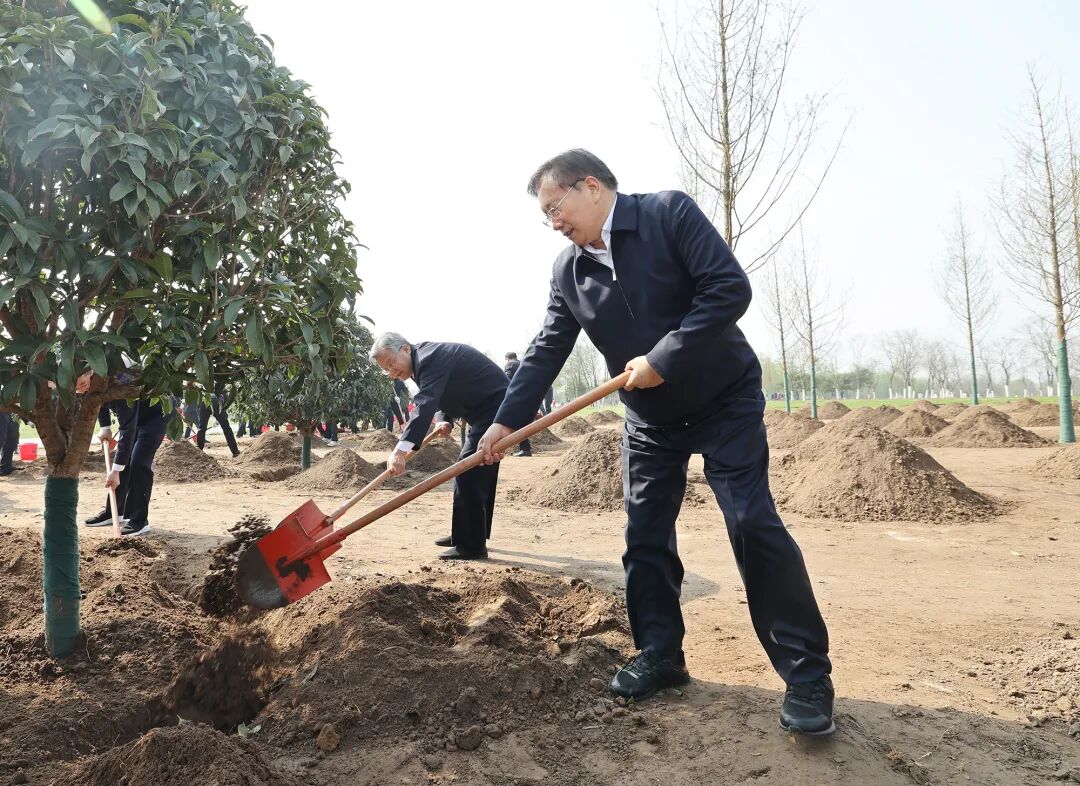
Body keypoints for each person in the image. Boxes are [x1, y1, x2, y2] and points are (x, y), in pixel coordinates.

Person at [477, 150, 834, 735]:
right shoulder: (568, 271)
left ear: (590, 186)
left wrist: (663, 357)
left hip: (725, 401)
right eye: (546, 217)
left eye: (555, 208)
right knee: (644, 537)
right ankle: (661, 654)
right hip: (649, 421)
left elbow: (728, 289)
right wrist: (503, 422)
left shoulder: (668, 214)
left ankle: (807, 676)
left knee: (751, 523)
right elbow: (546, 349)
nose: (553, 223)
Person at [371, 332, 507, 560]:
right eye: (386, 369)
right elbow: (442, 389)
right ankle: (465, 534)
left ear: (405, 349)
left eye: (391, 364)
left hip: (496, 409)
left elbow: (426, 401)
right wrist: (445, 417)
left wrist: (401, 449)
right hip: (484, 411)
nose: (391, 372)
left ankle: (471, 546)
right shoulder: (423, 361)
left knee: (467, 471)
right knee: (478, 471)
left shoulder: (429, 358)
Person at [84, 397, 174, 537]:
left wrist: (115, 471)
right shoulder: (97, 383)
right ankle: (114, 511)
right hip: (134, 417)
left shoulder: (123, 385)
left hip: (155, 416)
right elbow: (99, 400)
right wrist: (105, 428)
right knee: (123, 462)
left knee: (138, 462)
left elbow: (127, 432)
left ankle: (139, 520)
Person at [502, 352, 532, 457]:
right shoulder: (522, 363)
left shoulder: (510, 365)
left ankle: (525, 449)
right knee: (521, 422)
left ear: (507, 358)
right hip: (528, 396)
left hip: (517, 397)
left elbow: (507, 380)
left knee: (518, 423)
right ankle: (525, 448)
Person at [196, 388, 240, 457]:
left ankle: (199, 450)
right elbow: (225, 408)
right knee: (226, 428)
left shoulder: (208, 390)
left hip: (205, 402)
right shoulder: (225, 395)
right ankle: (235, 451)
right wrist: (221, 419)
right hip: (217, 403)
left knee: (201, 427)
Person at [0, 412, 21, 477]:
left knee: (13, 436)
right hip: (2, 408)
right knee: (1, 437)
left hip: (13, 410)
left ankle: (6, 466)